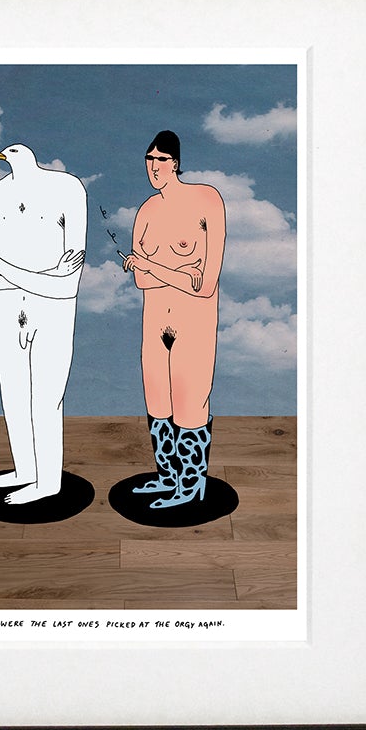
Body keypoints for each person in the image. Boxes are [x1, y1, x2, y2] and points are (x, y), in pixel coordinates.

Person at [0, 144, 86, 505]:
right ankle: (25, 471)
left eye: (11, 152)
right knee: (13, 394)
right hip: (6, 309)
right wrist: (47, 273)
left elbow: (67, 284)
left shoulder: (68, 189)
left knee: (47, 397)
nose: (4, 157)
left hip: (54, 311)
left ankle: (48, 482)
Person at [122, 130, 226, 508]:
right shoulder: (146, 211)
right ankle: (167, 477)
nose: (153, 167)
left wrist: (152, 266)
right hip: (154, 322)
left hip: (193, 324)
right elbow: (140, 280)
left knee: (190, 402)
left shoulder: (206, 200)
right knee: (158, 403)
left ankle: (191, 485)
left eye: (161, 160)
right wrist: (180, 272)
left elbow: (206, 284)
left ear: (176, 163)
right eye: (149, 160)